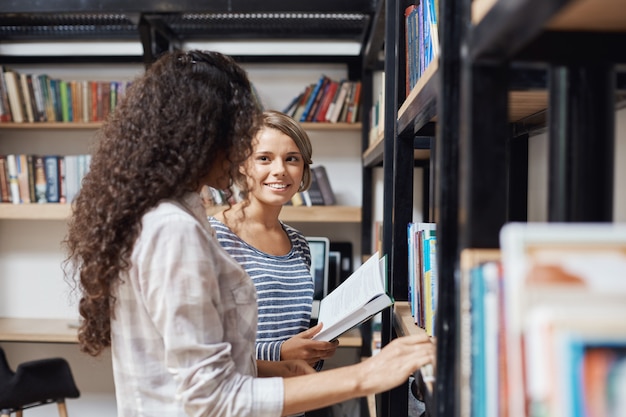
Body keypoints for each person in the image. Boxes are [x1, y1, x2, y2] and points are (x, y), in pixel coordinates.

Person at [63, 49, 435, 417]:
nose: (243, 148)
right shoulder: (173, 230)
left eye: (291, 158)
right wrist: (366, 375)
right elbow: (212, 399)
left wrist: (276, 370)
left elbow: (199, 370)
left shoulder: (170, 219)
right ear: (201, 134)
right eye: (239, 135)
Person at [209, 110, 337, 370]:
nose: (279, 170)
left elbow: (292, 336)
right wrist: (280, 353)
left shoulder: (299, 243)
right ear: (242, 165)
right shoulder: (214, 236)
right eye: (264, 159)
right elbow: (206, 348)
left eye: (292, 159)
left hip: (293, 402)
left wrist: (314, 349)